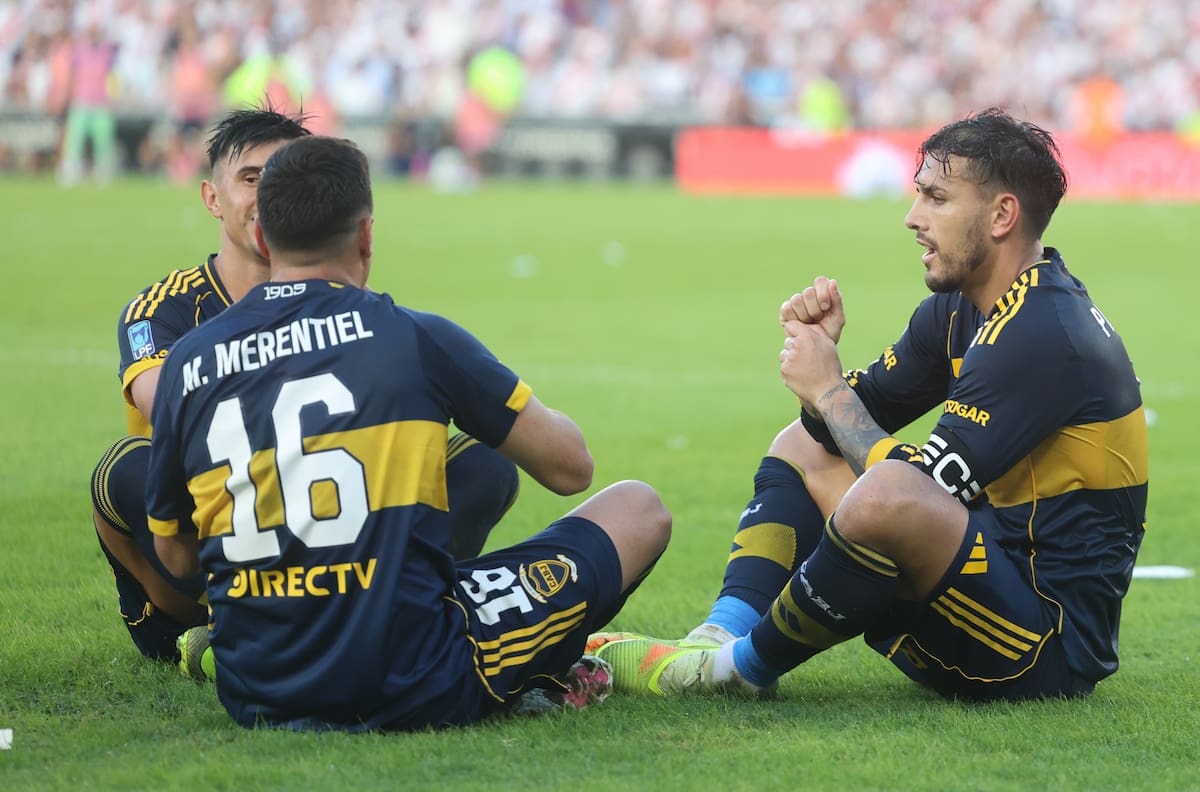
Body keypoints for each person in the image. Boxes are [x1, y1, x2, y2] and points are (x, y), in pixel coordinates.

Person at [589, 108, 1148, 702]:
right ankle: (716, 636)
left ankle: (731, 674)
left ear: (1002, 215)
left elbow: (908, 492)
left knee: (888, 493)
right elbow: (836, 430)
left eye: (936, 198)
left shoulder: (1042, 331)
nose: (913, 218)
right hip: (990, 576)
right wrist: (822, 372)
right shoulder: (958, 309)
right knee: (803, 445)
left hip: (1044, 648)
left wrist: (829, 390)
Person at [144, 135, 671, 730]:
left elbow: (175, 552)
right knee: (638, 509)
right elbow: (571, 468)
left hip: (255, 686)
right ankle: (542, 673)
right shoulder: (417, 338)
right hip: (414, 678)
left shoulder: (188, 360)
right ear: (366, 235)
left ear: (264, 237)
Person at [90, 108, 519, 676]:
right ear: (212, 198)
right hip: (220, 535)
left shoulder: (344, 302)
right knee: (125, 468)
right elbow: (168, 404)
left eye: (282, 175)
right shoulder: (163, 310)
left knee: (483, 464)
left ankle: (404, 603)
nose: (268, 193)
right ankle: (212, 625)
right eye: (250, 178)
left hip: (338, 540)